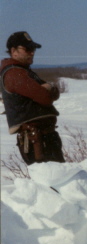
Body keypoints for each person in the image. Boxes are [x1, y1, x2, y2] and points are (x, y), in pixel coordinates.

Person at [1, 31, 65, 165]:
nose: (32, 52)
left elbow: (54, 92)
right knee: (52, 181)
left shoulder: (24, 72)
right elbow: (46, 97)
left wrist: (50, 88)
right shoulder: (14, 73)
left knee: (57, 179)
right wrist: (47, 88)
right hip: (37, 140)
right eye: (27, 49)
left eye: (33, 49)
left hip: (42, 138)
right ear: (14, 51)